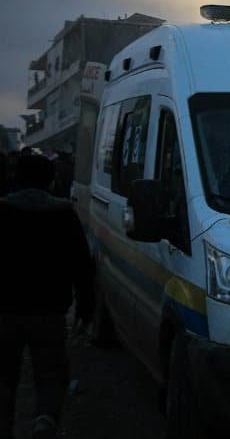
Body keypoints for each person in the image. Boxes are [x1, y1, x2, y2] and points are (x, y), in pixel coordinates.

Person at [0, 154, 94, 439]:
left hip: (5, 312)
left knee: (4, 378)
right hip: (50, 313)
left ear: (17, 178)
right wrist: (85, 310)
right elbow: (82, 267)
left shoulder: (2, 212)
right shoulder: (64, 214)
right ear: (51, 181)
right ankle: (45, 420)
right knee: (51, 374)